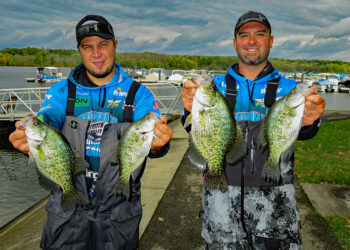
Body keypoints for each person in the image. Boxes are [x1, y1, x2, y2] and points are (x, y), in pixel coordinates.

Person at [9, 14, 173, 250]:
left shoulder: (138, 95)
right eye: (88, 47)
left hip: (119, 211)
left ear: (115, 45)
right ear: (79, 50)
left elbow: (155, 133)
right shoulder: (61, 91)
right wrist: (30, 134)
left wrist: (159, 144)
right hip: (66, 214)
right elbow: (48, 117)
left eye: (103, 45)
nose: (96, 54)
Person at [181, 11, 325, 250]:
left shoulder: (290, 90)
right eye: (244, 35)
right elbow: (195, 126)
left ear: (271, 40)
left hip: (276, 215)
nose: (251, 41)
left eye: (260, 34)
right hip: (219, 211)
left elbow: (304, 131)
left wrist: (310, 121)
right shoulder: (213, 88)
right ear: (235, 42)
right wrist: (189, 110)